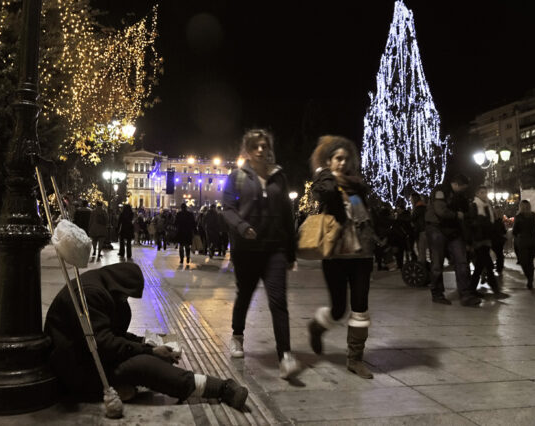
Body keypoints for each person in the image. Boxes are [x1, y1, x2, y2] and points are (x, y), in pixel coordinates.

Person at [44, 263, 248, 409]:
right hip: (78, 369)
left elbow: (112, 335)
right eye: (126, 295)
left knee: (146, 357)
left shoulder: (102, 286)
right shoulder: (91, 294)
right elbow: (104, 345)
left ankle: (126, 386)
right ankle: (222, 389)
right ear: (120, 286)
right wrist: (149, 351)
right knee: (143, 366)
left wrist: (146, 343)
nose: (126, 300)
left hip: (88, 358)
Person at [222, 129, 300, 379]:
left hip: (275, 248)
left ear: (269, 149)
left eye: (264, 146)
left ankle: (285, 354)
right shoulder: (237, 177)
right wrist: (243, 228)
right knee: (244, 294)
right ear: (247, 150)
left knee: (278, 301)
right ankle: (237, 336)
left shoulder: (279, 177)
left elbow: (288, 215)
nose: (260, 150)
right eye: (255, 146)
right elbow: (228, 209)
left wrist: (290, 252)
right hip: (247, 250)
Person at [306, 135, 376, 379]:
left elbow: (367, 216)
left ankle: (355, 359)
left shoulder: (357, 185)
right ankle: (316, 327)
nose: (343, 163)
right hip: (336, 256)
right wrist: (326, 172)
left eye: (346, 159)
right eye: (338, 159)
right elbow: (322, 193)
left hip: (361, 256)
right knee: (338, 309)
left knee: (360, 308)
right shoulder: (325, 184)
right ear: (329, 160)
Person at [425, 173, 481, 306]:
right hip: (437, 228)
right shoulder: (440, 191)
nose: (464, 190)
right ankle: (437, 293)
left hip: (454, 230)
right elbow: (441, 211)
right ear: (456, 184)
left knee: (462, 262)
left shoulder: (461, 196)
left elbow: (466, 215)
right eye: (462, 187)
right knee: (437, 264)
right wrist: (457, 215)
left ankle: (466, 294)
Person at [468, 186, 508, 298]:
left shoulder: (487, 206)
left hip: (485, 239)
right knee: (488, 266)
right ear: (477, 194)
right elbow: (472, 222)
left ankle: (471, 290)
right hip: (479, 240)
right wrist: (482, 223)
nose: (484, 194)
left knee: (480, 267)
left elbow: (490, 222)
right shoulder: (475, 205)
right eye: (482, 192)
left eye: (485, 192)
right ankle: (495, 291)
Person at [513, 200, 535, 289]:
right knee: (530, 261)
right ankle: (530, 279)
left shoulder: (519, 216)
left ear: (521, 207)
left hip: (523, 242)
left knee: (524, 262)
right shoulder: (534, 215)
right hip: (534, 241)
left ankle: (529, 278)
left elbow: (515, 231)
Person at [410, 193, 428, 262]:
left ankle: (422, 265)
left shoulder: (418, 208)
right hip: (423, 230)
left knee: (421, 250)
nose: (410, 201)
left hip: (421, 230)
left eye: (411, 199)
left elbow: (412, 218)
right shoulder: (423, 206)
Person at [491, 206, 507, 274]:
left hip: (493, 240)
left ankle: (493, 267)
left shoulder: (491, 221)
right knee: (499, 254)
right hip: (499, 240)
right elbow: (504, 231)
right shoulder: (500, 221)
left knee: (494, 254)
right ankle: (499, 268)